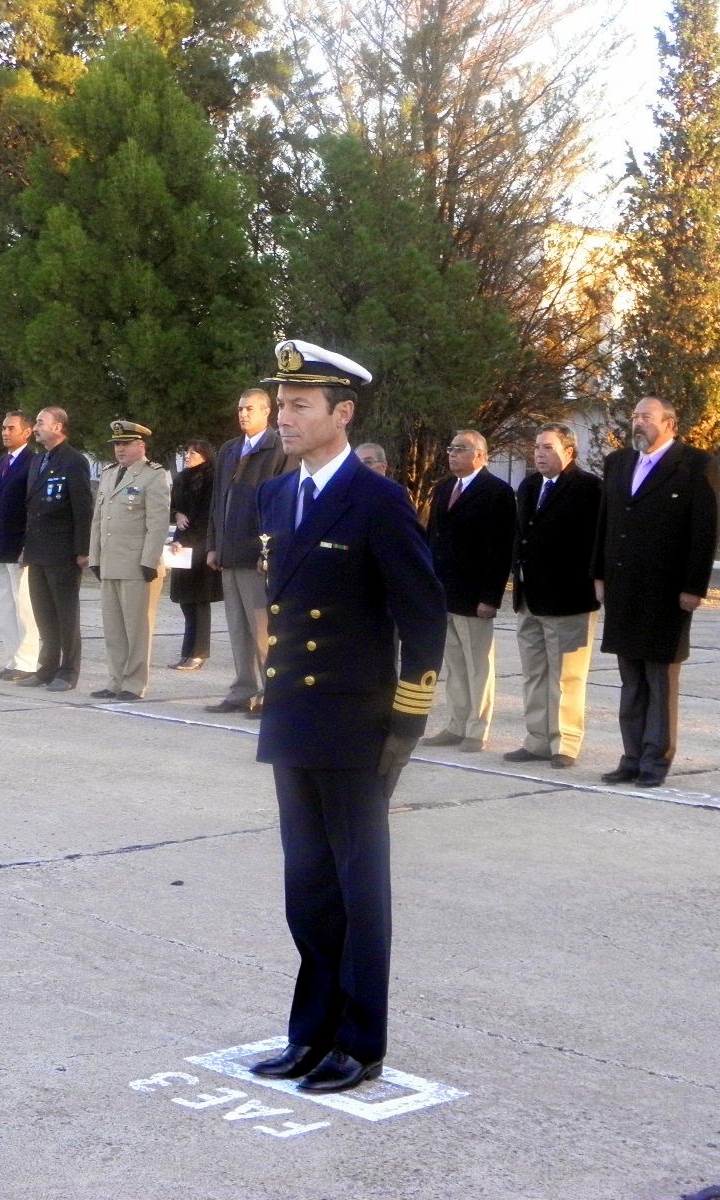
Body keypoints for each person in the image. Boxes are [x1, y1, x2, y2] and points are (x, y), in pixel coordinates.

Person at [246, 339, 445, 1095]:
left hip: (359, 724)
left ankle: (360, 1043)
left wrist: (406, 723)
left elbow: (422, 619)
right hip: (294, 718)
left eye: (300, 406)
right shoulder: (276, 494)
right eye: (281, 403)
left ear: (342, 413)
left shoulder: (377, 500)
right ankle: (311, 1033)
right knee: (309, 889)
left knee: (361, 892)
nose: (285, 417)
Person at [591, 397, 720, 787]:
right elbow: (605, 523)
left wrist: (694, 586)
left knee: (660, 679)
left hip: (667, 592)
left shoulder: (696, 465)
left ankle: (654, 762)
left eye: (646, 417)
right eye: (634, 416)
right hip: (622, 589)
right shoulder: (618, 463)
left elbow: (705, 530)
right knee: (631, 679)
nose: (637, 423)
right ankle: (631, 757)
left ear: (670, 424)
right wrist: (598, 575)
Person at [502, 424, 603, 769]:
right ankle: (537, 739)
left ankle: (565, 742)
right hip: (529, 598)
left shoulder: (589, 488)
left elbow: (595, 544)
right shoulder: (529, 486)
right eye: (536, 448)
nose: (539, 454)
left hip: (568, 600)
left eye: (547, 447)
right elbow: (520, 537)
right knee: (535, 673)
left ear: (569, 452)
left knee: (566, 677)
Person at [420, 431, 516, 754]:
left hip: (475, 597)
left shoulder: (496, 492)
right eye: (450, 448)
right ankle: (456, 724)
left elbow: (500, 549)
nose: (452, 454)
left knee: (478, 666)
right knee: (455, 666)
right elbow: (433, 538)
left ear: (480, 455)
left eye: (459, 449)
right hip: (445, 592)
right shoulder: (445, 488)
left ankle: (477, 728)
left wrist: (491, 597)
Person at [203, 388, 291, 716]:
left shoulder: (278, 448)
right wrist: (213, 545)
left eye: (250, 409)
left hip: (258, 558)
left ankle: (272, 693)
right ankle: (242, 689)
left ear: (267, 412)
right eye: (240, 409)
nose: (243, 414)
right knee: (237, 627)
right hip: (229, 554)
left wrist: (270, 551)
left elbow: (282, 503)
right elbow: (217, 502)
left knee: (262, 629)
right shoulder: (228, 449)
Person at [88, 420, 170, 701]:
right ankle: (115, 680)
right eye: (116, 445)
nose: (120, 449)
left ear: (140, 446)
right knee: (113, 628)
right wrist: (95, 557)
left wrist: (149, 560)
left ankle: (134, 684)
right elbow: (98, 520)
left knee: (137, 629)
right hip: (111, 561)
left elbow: (158, 522)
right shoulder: (110, 475)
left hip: (137, 564)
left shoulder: (153, 476)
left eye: (125, 444)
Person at [19, 406, 94, 691]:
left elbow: (82, 507)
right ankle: (46, 668)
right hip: (38, 548)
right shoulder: (39, 460)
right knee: (43, 614)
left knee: (66, 615)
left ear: (58, 427)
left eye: (40, 422)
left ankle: (68, 671)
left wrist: (82, 549)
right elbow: (33, 507)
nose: (36, 428)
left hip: (62, 550)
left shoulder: (74, 461)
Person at [0, 411, 41, 681]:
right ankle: (12, 659)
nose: (5, 432)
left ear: (27, 432)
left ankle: (28, 661)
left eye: (11, 428)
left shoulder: (33, 463)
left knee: (24, 608)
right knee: (4, 607)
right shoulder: (1, 462)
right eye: (3, 428)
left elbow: (32, 509)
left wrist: (27, 545)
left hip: (19, 548)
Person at [168, 438, 222, 670]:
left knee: (199, 601)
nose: (188, 456)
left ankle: (198, 653)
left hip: (200, 545)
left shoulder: (211, 478)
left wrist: (188, 541)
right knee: (186, 602)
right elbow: (173, 506)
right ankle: (186, 651)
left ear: (205, 456)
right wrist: (177, 513)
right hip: (181, 544)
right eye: (187, 452)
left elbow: (206, 516)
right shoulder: (182, 478)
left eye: (194, 453)